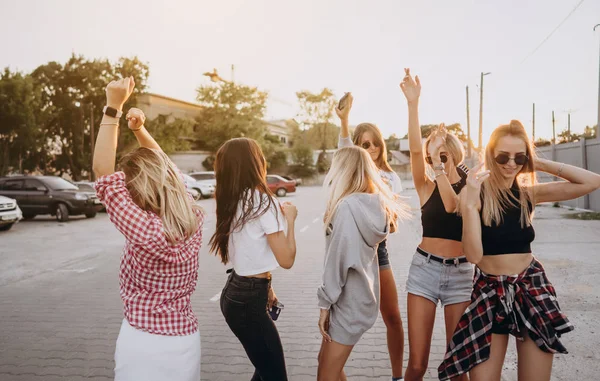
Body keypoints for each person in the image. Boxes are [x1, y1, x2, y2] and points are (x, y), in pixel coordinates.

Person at [439, 120, 600, 381]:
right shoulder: (473, 195)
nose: (511, 163)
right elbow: (474, 256)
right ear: (490, 155)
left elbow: (592, 182)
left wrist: (539, 163)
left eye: (519, 157)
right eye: (503, 156)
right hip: (490, 293)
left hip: (530, 288)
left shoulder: (527, 195)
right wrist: (469, 204)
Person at [93, 77, 204, 381]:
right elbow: (169, 171)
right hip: (185, 339)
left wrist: (113, 107)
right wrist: (139, 130)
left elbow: (103, 174)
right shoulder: (192, 216)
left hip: (143, 342)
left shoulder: (143, 229)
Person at [399, 69, 472, 381]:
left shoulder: (473, 186)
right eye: (432, 156)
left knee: (457, 367)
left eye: (442, 153)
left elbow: (454, 204)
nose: (434, 159)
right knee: (417, 365)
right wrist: (413, 105)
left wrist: (442, 164)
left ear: (454, 152)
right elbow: (415, 150)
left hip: (461, 275)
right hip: (424, 271)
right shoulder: (425, 186)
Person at [317, 146, 411, 381]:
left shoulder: (347, 207)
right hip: (360, 296)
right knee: (328, 365)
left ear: (343, 171)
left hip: (347, 301)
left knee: (325, 374)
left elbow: (337, 261)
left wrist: (324, 304)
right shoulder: (374, 204)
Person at [209, 138, 298, 381]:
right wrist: (290, 219)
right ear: (254, 163)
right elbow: (287, 259)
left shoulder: (232, 200)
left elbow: (251, 252)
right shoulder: (262, 201)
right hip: (247, 301)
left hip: (237, 293)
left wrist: (268, 286)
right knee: (274, 375)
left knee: (264, 370)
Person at [335, 93, 405, 381]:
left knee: (393, 317)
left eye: (376, 142)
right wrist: (343, 121)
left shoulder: (390, 178)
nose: (372, 147)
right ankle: (333, 370)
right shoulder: (351, 172)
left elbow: (392, 223)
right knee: (340, 322)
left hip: (378, 252)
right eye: (365, 143)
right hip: (349, 253)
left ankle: (397, 376)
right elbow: (343, 151)